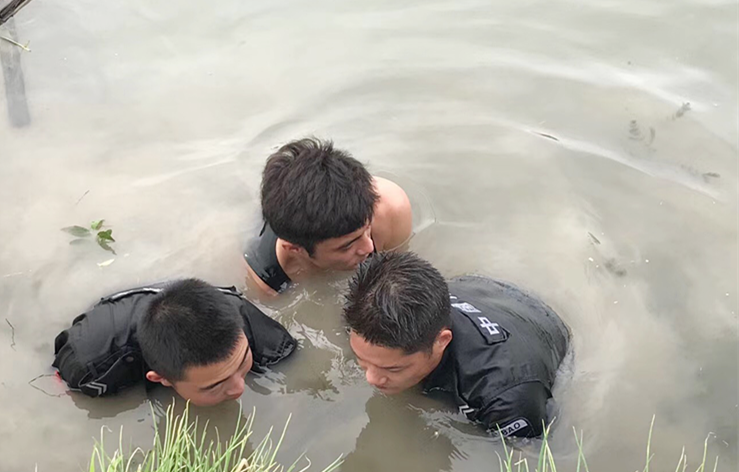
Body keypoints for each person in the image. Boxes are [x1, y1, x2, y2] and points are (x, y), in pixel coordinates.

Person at [342, 252, 570, 438]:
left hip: (541, 325)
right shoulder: (368, 317)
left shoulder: (506, 398)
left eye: (393, 369)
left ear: (441, 342)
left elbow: (523, 460)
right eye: (362, 360)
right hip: (474, 286)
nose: (372, 379)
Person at [52, 278, 297, 406]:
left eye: (242, 362)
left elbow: (296, 370)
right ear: (161, 379)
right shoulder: (89, 365)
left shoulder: (240, 315)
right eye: (215, 385)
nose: (239, 389)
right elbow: (62, 391)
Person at [245, 138, 413, 295]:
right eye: (347, 246)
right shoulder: (268, 281)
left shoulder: (390, 208)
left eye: (367, 228)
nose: (368, 248)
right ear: (296, 250)